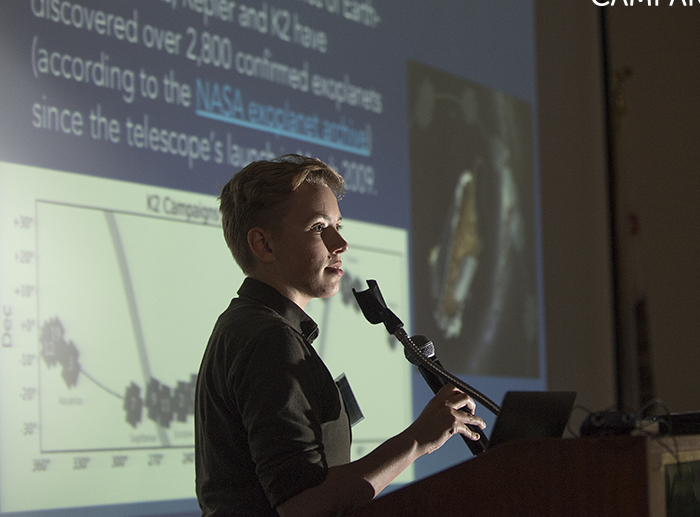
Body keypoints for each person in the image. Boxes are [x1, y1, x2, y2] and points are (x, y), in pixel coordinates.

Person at [195, 154, 485, 517]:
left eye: (338, 225)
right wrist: (417, 440)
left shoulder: (250, 326)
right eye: (319, 228)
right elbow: (302, 504)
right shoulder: (269, 339)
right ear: (263, 245)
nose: (340, 243)